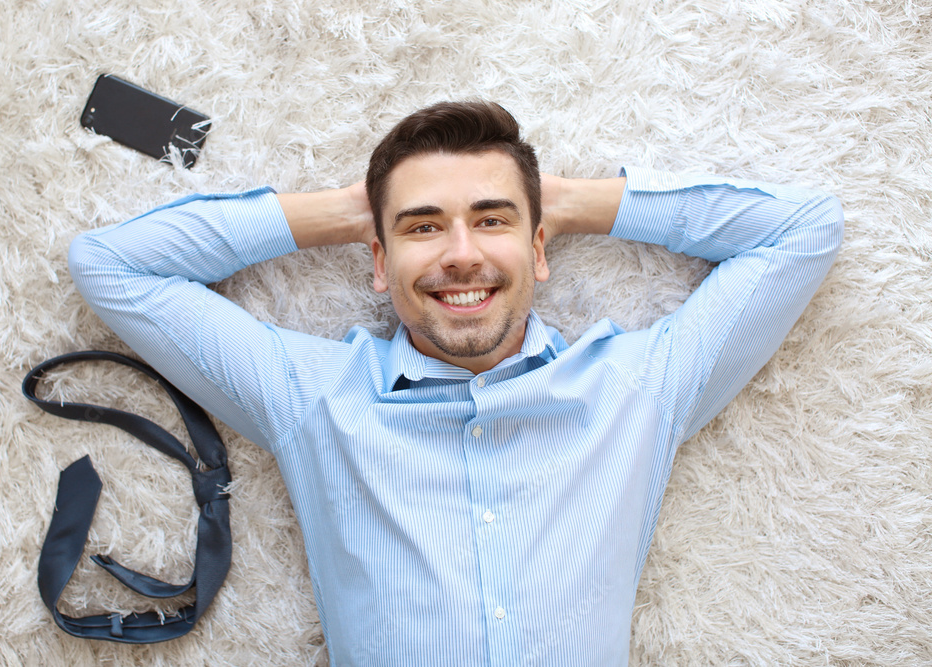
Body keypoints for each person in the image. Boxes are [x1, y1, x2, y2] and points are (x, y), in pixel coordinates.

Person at [68, 101, 843, 666]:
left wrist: (569, 202)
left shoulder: (638, 388)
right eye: (422, 225)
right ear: (378, 262)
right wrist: (347, 211)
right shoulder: (312, 395)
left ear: (542, 249)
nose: (461, 254)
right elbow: (110, 265)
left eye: (493, 221)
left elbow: (806, 229)